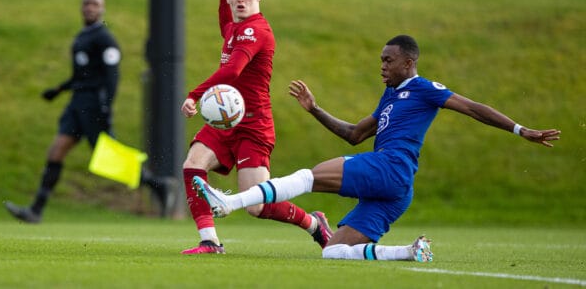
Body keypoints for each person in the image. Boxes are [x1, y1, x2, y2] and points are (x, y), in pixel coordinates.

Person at [192, 34, 561, 261]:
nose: (382, 65)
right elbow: (354, 134)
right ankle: (408, 252)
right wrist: (315, 109)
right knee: (335, 252)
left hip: (391, 168)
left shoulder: (424, 88)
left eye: (388, 60)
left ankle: (231, 203)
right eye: (381, 60)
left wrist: (519, 129)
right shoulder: (390, 96)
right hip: (397, 191)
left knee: (308, 177)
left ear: (409, 62)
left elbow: (472, 108)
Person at [179, 0, 333, 254]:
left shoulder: (256, 30)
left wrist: (195, 94)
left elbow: (233, 71)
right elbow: (225, 23)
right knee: (193, 165)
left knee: (257, 205)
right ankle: (209, 241)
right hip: (226, 121)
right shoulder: (235, 26)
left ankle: (314, 223)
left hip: (253, 124)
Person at [4, 0, 170, 223]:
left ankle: (158, 184)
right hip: (76, 103)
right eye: (86, 3)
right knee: (57, 149)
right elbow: (81, 75)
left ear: (102, 9)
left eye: (94, 4)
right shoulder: (83, 36)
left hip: (93, 105)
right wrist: (59, 90)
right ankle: (35, 211)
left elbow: (112, 76)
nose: (89, 7)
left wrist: (106, 106)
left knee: (107, 157)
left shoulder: (105, 39)